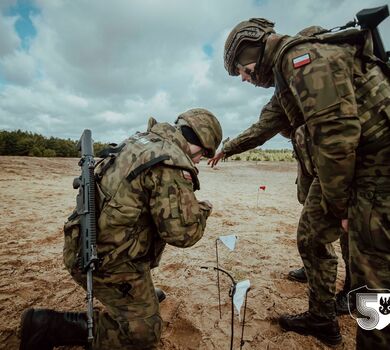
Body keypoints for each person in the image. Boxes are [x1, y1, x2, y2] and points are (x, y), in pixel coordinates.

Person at [220, 16, 390, 348]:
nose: (242, 78)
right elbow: (265, 126)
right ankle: (322, 319)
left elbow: (336, 137)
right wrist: (226, 149)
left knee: (375, 281)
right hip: (358, 171)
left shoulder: (300, 61)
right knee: (312, 240)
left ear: (253, 49)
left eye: (241, 69)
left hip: (375, 176)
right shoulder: (289, 74)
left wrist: (341, 206)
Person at [19, 108, 223, 350]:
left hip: (85, 241)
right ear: (201, 142)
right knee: (144, 334)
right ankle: (46, 326)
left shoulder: (141, 141)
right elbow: (182, 234)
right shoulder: (170, 162)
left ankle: (138, 300)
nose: (199, 160)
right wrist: (202, 209)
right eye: (205, 154)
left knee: (143, 295)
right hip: (105, 261)